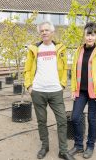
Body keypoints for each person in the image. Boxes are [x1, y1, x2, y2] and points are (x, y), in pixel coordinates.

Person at [24, 21, 75, 160]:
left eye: (47, 30)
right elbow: (27, 69)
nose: (44, 32)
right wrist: (29, 86)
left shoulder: (60, 48)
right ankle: (44, 146)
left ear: (52, 32)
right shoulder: (34, 49)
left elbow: (65, 68)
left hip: (55, 91)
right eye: (42, 31)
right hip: (38, 91)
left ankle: (63, 151)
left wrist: (62, 85)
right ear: (40, 33)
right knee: (42, 121)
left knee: (62, 120)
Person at [68, 22, 96, 159]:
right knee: (75, 117)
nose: (90, 38)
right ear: (84, 36)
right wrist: (73, 89)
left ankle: (90, 146)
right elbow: (73, 71)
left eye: (92, 35)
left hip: (94, 92)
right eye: (87, 35)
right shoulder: (78, 51)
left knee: (92, 119)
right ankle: (78, 145)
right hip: (81, 91)